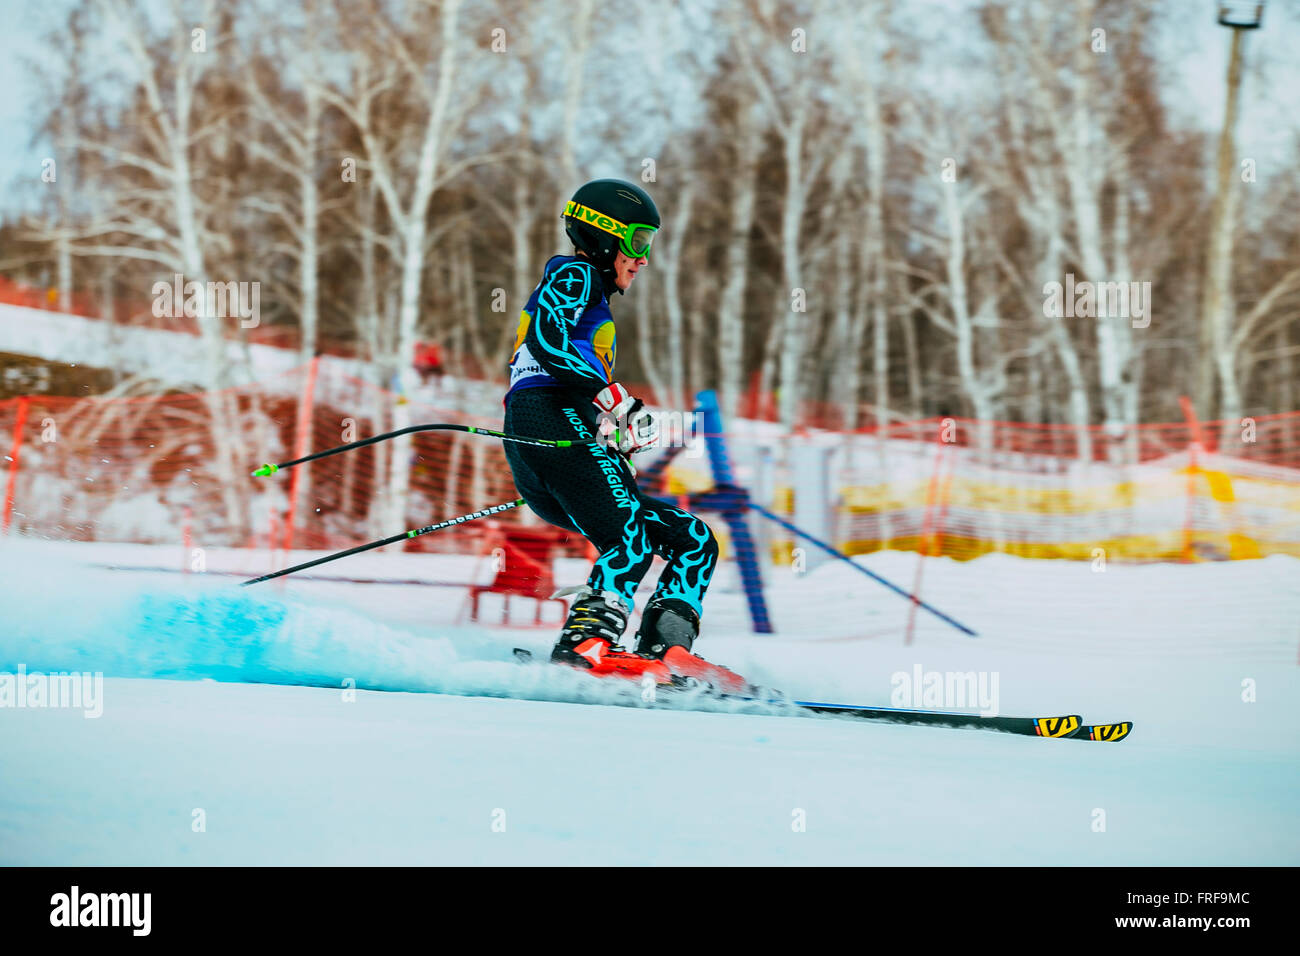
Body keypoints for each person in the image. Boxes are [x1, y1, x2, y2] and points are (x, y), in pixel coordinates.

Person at [502, 178, 745, 691]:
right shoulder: (576, 273)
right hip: (545, 420)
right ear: (604, 237)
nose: (643, 258)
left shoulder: (590, 289)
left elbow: (564, 360)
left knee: (692, 540)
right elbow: (549, 340)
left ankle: (668, 649)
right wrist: (610, 398)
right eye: (638, 243)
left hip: (556, 426)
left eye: (649, 246)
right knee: (628, 537)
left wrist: (608, 431)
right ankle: (584, 648)